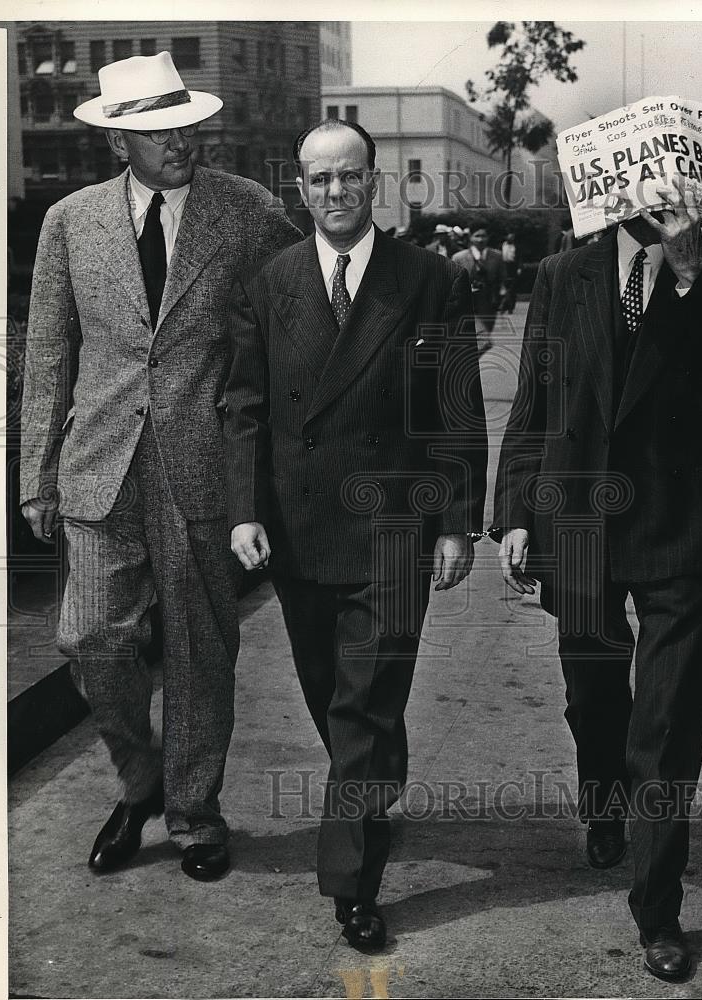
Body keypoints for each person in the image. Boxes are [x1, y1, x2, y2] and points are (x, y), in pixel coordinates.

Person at [20, 51, 300, 881]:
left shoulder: (247, 212)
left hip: (204, 467)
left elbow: (303, 299)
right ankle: (139, 783)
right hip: (99, 464)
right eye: (157, 130)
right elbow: (45, 357)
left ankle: (193, 811)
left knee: (200, 648)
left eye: (185, 123)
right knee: (88, 636)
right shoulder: (69, 222)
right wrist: (36, 475)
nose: (180, 140)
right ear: (119, 143)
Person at [223, 119, 487, 949]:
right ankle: (378, 790)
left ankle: (350, 884)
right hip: (300, 536)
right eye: (319, 180)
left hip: (394, 531)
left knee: (363, 706)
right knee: (337, 703)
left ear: (375, 183)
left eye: (350, 178)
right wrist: (243, 509)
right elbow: (243, 410)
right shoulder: (269, 284)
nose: (336, 194)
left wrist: (455, 524)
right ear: (301, 189)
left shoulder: (428, 280)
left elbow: (454, 405)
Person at [493, 178, 702, 981]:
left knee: (668, 720)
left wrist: (690, 274)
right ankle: (603, 798)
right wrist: (513, 512)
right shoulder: (561, 275)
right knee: (596, 697)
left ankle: (659, 907)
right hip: (577, 520)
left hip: (678, 521)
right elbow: (533, 402)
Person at [452, 225, 505, 352]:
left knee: (481, 339)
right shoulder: (459, 257)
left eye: (483, 236)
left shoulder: (497, 256)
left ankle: (466, 363)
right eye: (477, 236)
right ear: (470, 238)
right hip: (466, 303)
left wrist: (504, 296)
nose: (481, 239)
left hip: (489, 303)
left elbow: (503, 279)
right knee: (483, 340)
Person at [500, 231, 520, 314]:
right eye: (509, 237)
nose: (511, 239)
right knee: (503, 287)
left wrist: (519, 268)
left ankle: (510, 307)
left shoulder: (516, 247)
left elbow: (519, 258)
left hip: (512, 267)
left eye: (512, 237)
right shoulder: (502, 246)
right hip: (503, 266)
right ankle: (504, 306)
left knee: (512, 289)